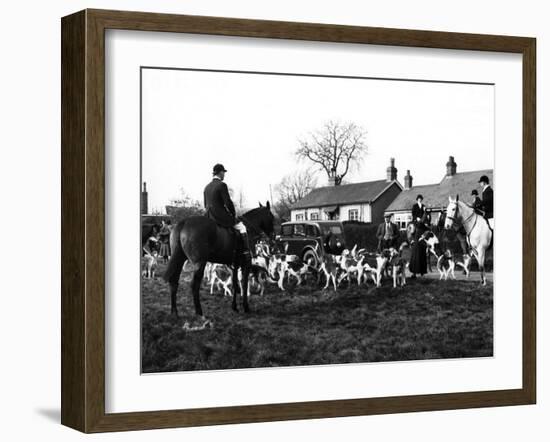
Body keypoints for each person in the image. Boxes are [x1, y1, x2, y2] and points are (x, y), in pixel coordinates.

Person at [203, 163, 251, 262]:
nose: (224, 175)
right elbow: (228, 202)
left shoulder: (206, 187)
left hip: (208, 217)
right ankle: (246, 251)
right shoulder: (222, 185)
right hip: (220, 216)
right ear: (220, 173)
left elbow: (205, 204)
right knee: (242, 227)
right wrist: (233, 214)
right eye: (223, 173)